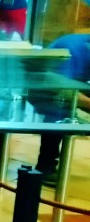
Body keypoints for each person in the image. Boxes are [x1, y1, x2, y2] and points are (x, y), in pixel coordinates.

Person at [34, 33, 90, 186]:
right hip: (44, 88)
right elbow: (63, 90)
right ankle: (45, 166)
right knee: (58, 113)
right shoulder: (73, 51)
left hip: (71, 82)